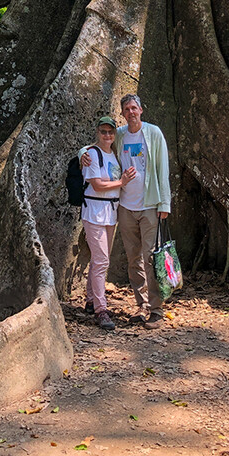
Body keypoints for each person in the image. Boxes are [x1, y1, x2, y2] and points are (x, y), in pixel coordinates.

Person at [82, 94, 171, 325]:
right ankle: (141, 305)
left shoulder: (153, 133)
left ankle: (156, 309)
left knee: (151, 257)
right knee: (134, 259)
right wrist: (82, 154)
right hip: (125, 208)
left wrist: (165, 204)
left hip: (150, 205)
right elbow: (96, 145)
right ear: (123, 114)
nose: (131, 112)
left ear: (141, 110)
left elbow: (163, 168)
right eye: (127, 109)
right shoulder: (119, 134)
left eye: (134, 108)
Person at [81, 116, 134, 331]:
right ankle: (101, 310)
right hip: (94, 211)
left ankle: (91, 300)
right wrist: (122, 182)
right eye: (103, 132)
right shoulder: (92, 154)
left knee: (100, 259)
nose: (107, 136)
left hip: (110, 213)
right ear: (97, 133)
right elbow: (97, 185)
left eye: (110, 132)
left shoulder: (114, 154)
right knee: (102, 261)